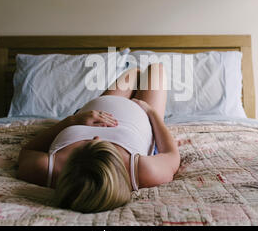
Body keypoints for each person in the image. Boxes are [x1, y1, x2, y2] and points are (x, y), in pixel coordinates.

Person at [17, 63, 180, 213]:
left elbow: (27, 150)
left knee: (135, 73)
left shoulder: (46, 169)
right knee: (155, 68)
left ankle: (135, 72)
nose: (96, 136)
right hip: (143, 115)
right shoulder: (142, 170)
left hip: (97, 107)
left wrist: (72, 121)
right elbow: (171, 155)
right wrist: (151, 112)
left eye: (87, 145)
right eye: (102, 144)